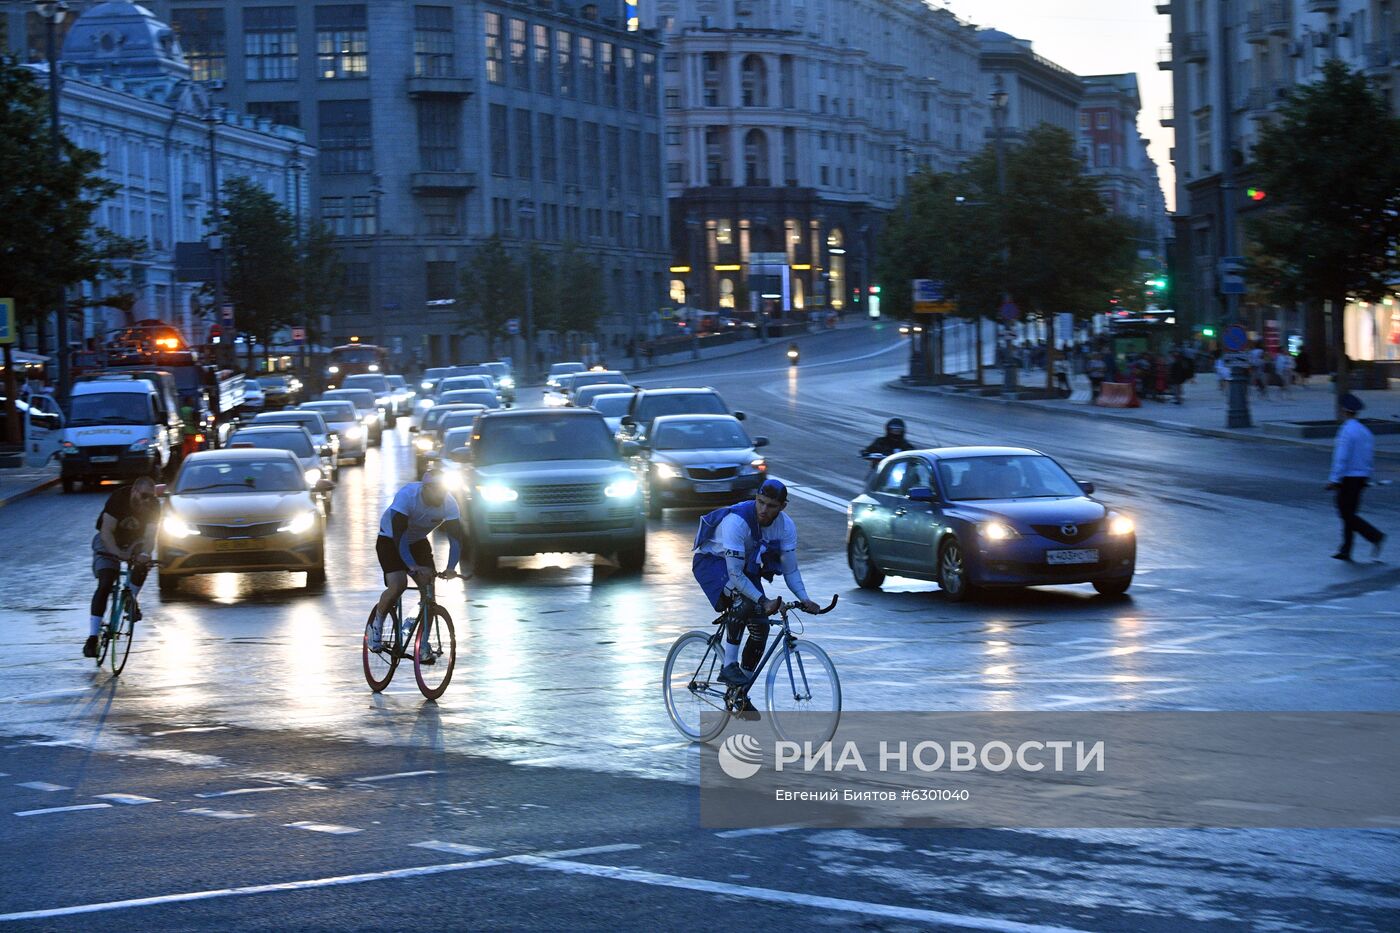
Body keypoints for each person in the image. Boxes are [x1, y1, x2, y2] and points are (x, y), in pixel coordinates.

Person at [691, 479, 821, 718]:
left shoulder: (786, 527)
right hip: (713, 564)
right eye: (760, 502)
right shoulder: (737, 521)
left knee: (760, 625)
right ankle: (729, 666)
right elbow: (735, 575)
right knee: (746, 601)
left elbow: (790, 569)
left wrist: (805, 598)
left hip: (744, 564)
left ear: (783, 506)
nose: (763, 510)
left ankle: (738, 694)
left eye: (771, 505)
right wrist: (763, 601)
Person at [369, 469, 468, 657]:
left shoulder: (449, 503)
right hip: (390, 540)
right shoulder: (407, 496)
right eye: (436, 490)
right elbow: (399, 537)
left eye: (443, 490)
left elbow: (456, 539)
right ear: (425, 488)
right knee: (398, 584)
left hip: (418, 541)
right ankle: (377, 624)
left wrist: (450, 567)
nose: (440, 494)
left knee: (429, 591)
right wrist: (412, 566)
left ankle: (423, 645)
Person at [85, 477, 159, 657]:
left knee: (143, 563)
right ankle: (92, 638)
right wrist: (118, 554)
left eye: (150, 496)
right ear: (134, 491)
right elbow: (106, 532)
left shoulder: (154, 505)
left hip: (134, 541)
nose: (147, 500)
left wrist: (145, 553)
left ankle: (131, 599)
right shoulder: (119, 498)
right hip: (109, 541)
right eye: (143, 496)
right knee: (106, 581)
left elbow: (150, 537)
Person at [1327, 394, 1385, 562]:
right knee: (1350, 513)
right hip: (1360, 478)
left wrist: (1334, 480)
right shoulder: (1365, 432)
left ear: (1345, 411)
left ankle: (1375, 536)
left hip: (1348, 479)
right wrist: (1367, 476)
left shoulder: (1346, 431)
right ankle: (1346, 549)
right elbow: (1369, 457)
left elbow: (1341, 458)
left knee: (1346, 513)